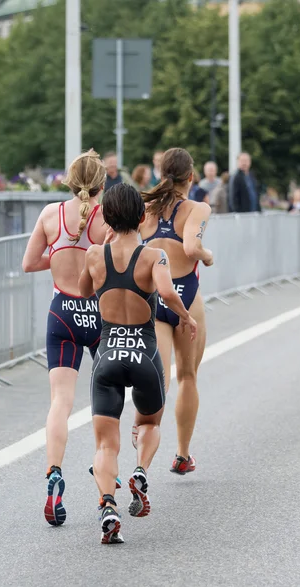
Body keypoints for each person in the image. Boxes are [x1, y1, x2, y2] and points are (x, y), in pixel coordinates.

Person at [79, 183, 197, 544]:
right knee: (148, 422)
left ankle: (108, 504)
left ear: (106, 218)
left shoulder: (95, 255)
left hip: (108, 356)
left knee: (104, 445)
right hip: (144, 355)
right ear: (142, 216)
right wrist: (185, 318)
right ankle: (141, 471)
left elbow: (84, 291)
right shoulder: (153, 256)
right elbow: (165, 292)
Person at [22, 150, 108, 527]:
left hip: (63, 312)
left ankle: (53, 473)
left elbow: (29, 263)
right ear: (103, 184)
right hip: (100, 312)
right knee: (106, 401)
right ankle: (108, 473)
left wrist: (59, 255)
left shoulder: (50, 214)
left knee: (60, 402)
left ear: (69, 182)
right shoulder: (108, 219)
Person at [135, 148, 213, 476]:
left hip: (154, 298)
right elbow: (193, 248)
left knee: (159, 380)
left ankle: (142, 463)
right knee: (188, 376)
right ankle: (182, 454)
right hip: (186, 296)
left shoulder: (146, 209)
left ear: (160, 172)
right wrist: (207, 257)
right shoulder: (196, 207)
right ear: (191, 177)